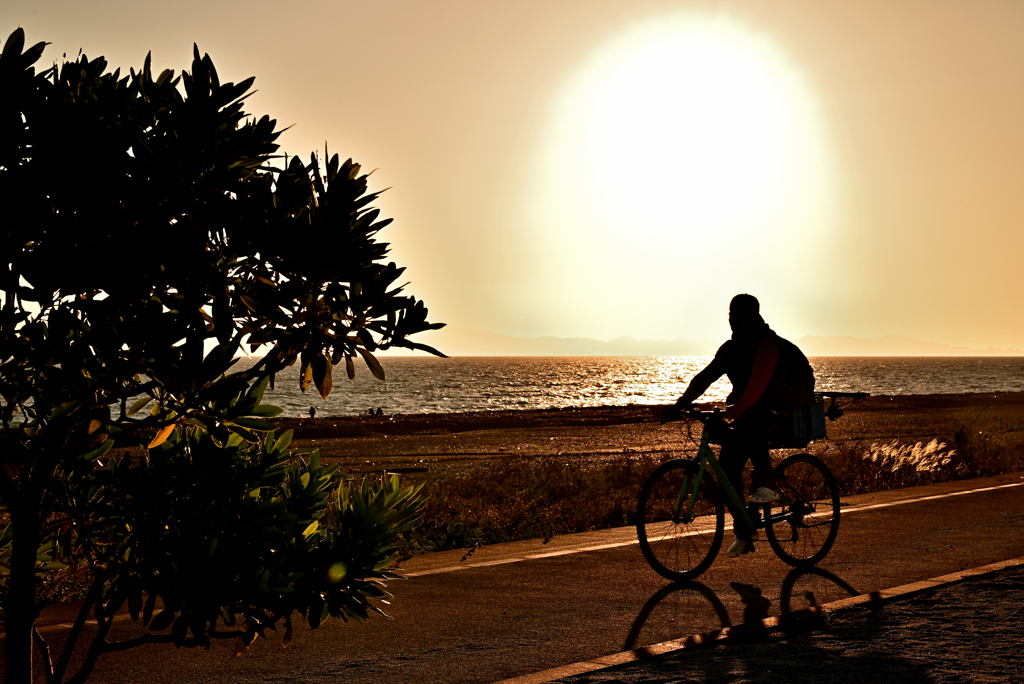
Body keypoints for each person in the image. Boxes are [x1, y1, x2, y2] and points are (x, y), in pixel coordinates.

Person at [664, 294, 815, 558]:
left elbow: (759, 381)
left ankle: (767, 482)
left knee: (753, 419)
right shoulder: (730, 349)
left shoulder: (768, 345)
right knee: (727, 470)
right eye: (732, 315)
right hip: (753, 409)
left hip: (787, 407)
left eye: (739, 316)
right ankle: (745, 529)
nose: (734, 321)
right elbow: (705, 378)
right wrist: (678, 405)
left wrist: (741, 406)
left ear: (753, 316)